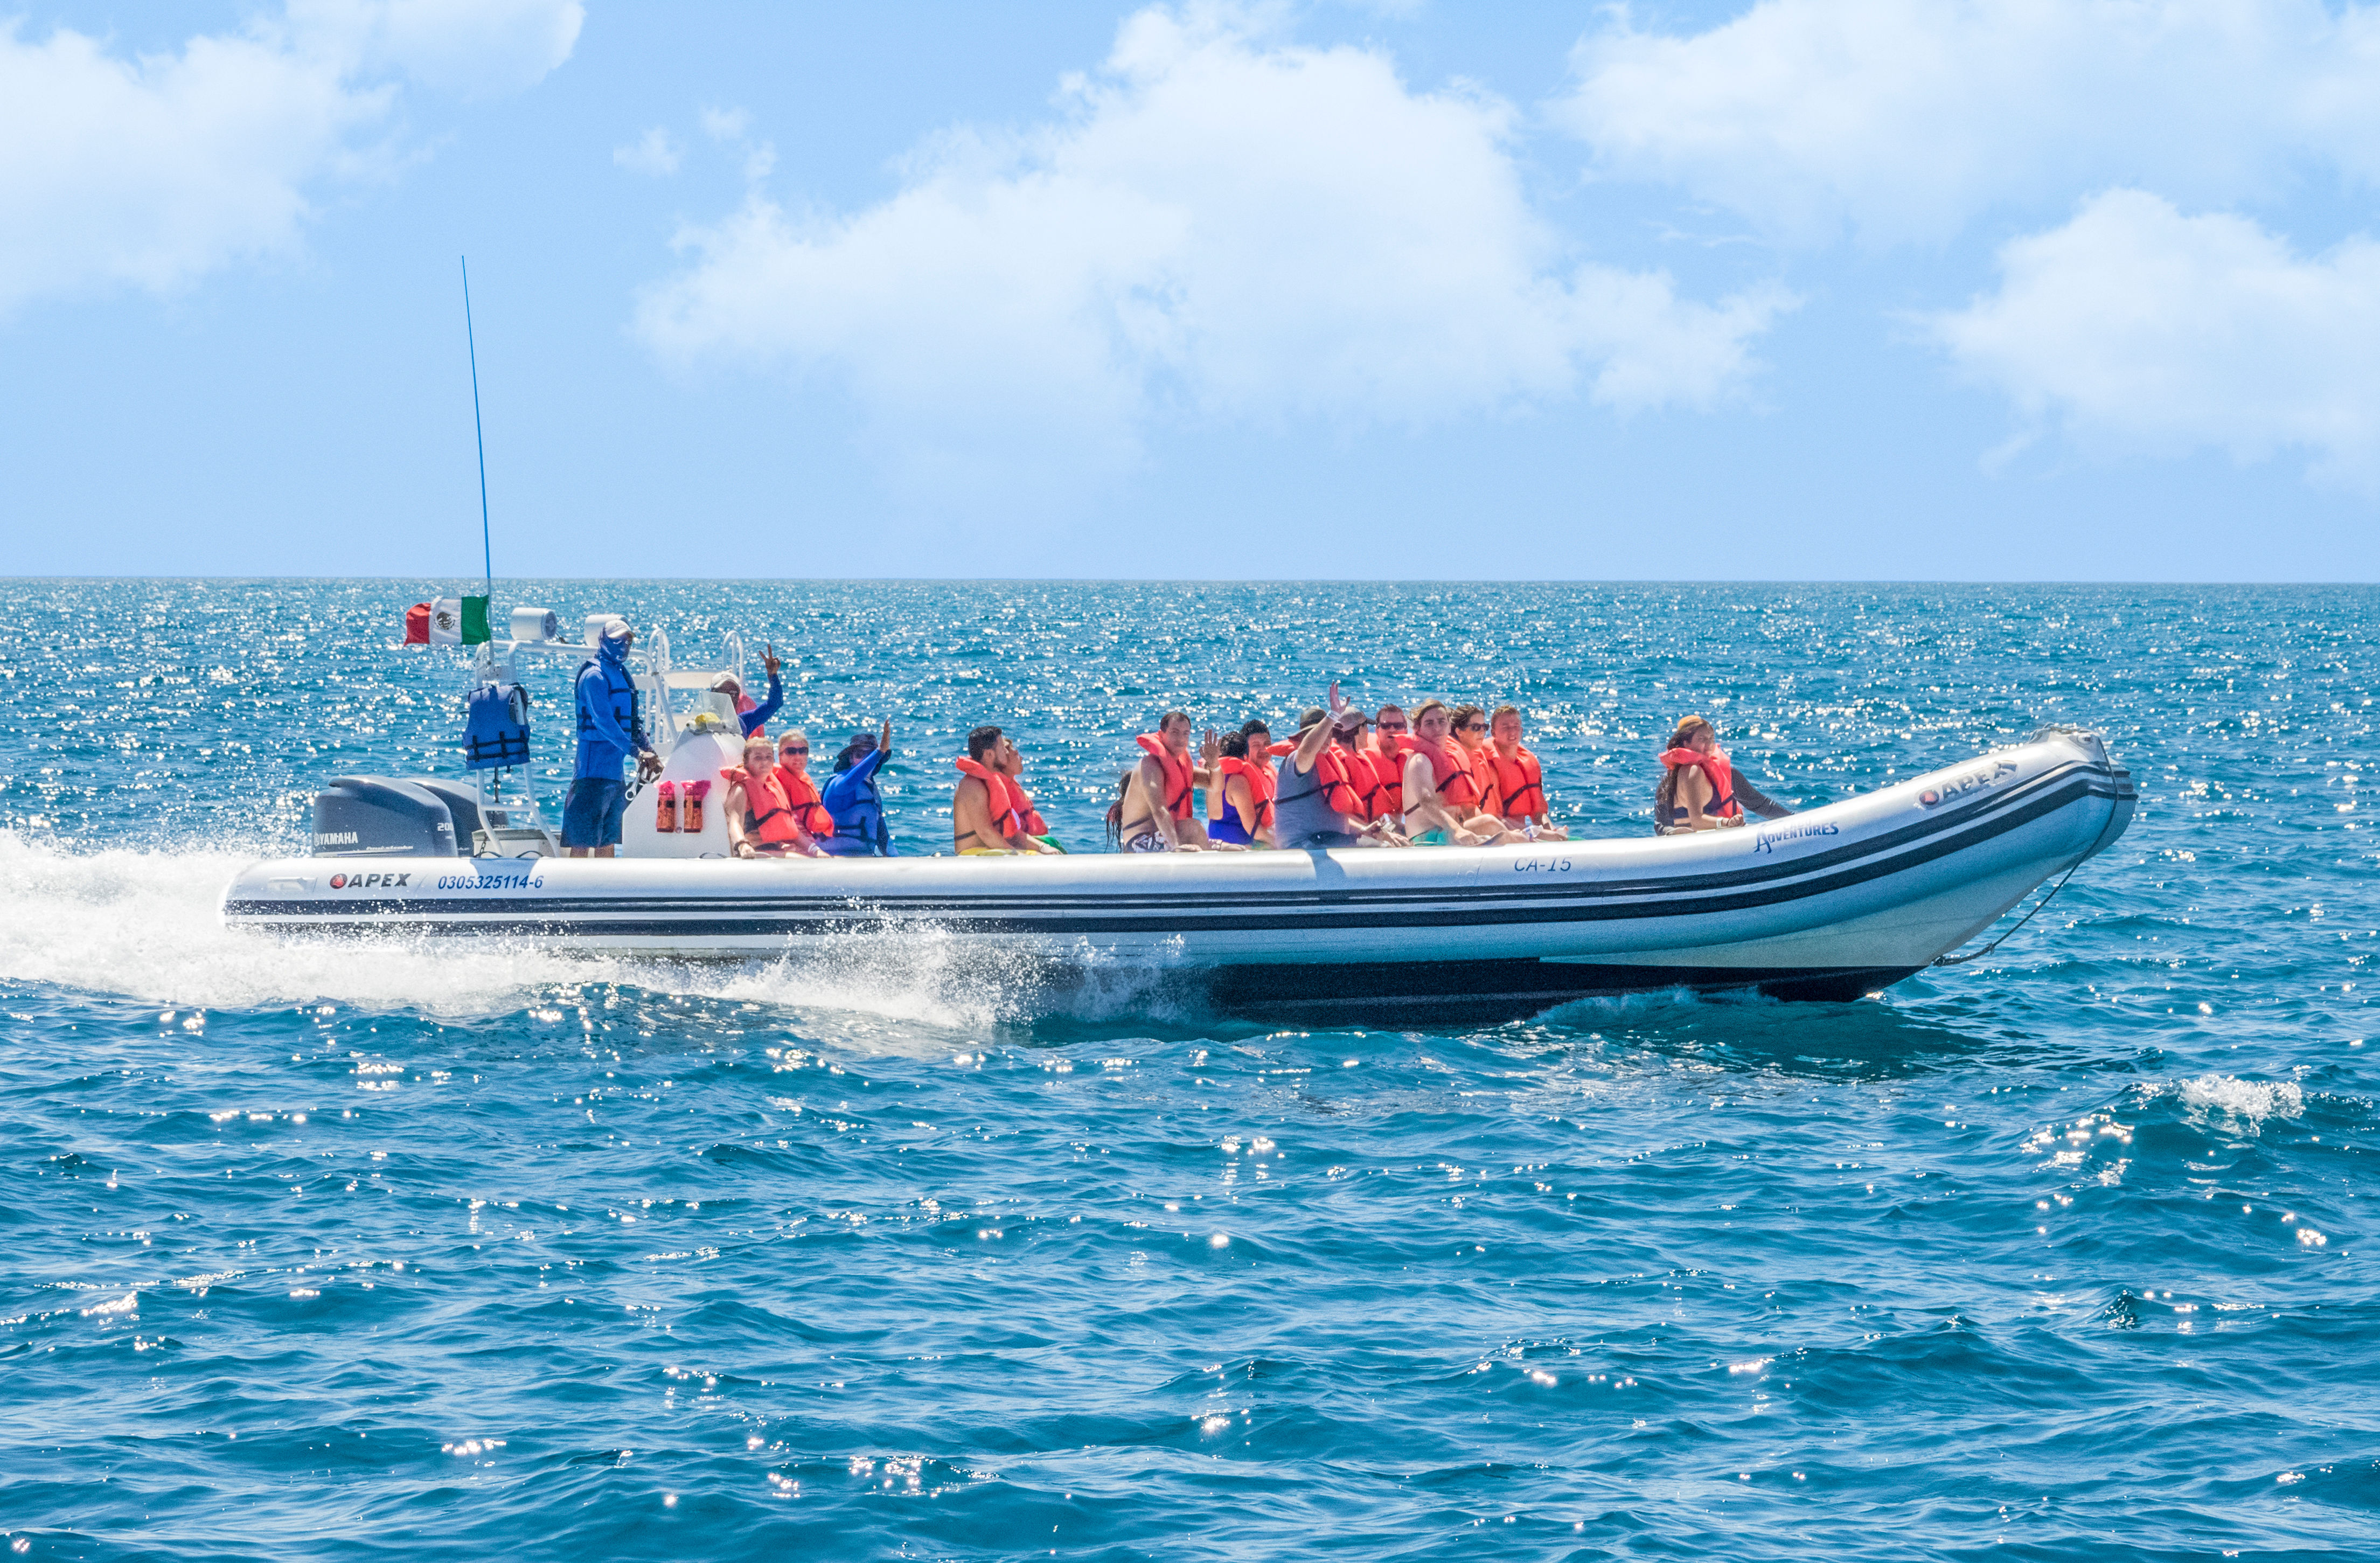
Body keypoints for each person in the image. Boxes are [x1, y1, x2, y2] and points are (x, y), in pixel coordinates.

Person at [565, 616, 660, 858]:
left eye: (628, 640)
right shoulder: (594, 676)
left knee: (608, 840)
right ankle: (574, 890)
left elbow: (632, 721)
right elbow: (603, 721)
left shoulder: (621, 674)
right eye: (618, 639)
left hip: (614, 776)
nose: (624, 645)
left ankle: (602, 892)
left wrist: (649, 752)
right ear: (603, 640)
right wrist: (637, 753)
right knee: (583, 840)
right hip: (591, 775)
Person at [1274, 689, 1407, 850]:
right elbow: (1307, 750)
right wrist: (1332, 716)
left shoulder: (1328, 766)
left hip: (1325, 839)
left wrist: (1364, 830)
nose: (1327, 738)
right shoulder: (1296, 761)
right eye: (1321, 733)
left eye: (1330, 733)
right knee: (1383, 850)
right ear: (1305, 738)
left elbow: (1336, 820)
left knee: (1388, 845)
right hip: (1303, 844)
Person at [1401, 699, 1526, 846]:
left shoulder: (1449, 760)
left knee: (1498, 827)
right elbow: (1426, 801)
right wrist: (1457, 830)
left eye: (1442, 722)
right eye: (1429, 723)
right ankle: (1531, 847)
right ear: (1418, 729)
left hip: (1448, 832)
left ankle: (1530, 841)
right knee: (1490, 824)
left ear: (1449, 727)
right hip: (1427, 839)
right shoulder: (1419, 760)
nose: (1437, 728)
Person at [1655, 714, 1793, 833]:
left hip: (1721, 841)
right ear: (1686, 743)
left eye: (1711, 739)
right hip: (1699, 847)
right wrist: (1671, 833)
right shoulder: (1668, 785)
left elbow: (1761, 805)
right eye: (1701, 739)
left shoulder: (1728, 775)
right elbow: (1661, 825)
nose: (1708, 744)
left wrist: (1795, 822)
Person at [1108, 711, 1220, 852]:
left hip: (1162, 837)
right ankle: (1209, 872)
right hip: (1138, 843)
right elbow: (1159, 810)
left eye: (1186, 734)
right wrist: (1176, 846)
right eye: (1175, 732)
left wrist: (1214, 763)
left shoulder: (1181, 766)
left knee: (1202, 834)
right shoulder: (1150, 766)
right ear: (1162, 735)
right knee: (1193, 829)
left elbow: (1214, 784)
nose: (1181, 739)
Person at [954, 725, 1056, 854]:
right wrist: (1017, 855)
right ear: (990, 754)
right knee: (1035, 859)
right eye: (1002, 748)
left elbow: (1014, 834)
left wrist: (1043, 847)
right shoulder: (972, 786)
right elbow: (986, 833)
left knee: (1050, 850)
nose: (1007, 752)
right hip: (973, 853)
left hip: (994, 852)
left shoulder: (994, 782)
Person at [726, 735, 824, 859]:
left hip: (776, 849)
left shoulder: (774, 789)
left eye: (768, 757)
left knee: (820, 861)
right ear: (746, 762)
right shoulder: (741, 789)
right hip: (754, 852)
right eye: (758, 758)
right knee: (803, 862)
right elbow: (734, 822)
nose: (765, 762)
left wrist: (816, 850)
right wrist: (743, 844)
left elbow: (792, 831)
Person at [1484, 704, 1568, 840]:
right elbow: (1492, 818)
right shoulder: (1489, 766)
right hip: (1496, 835)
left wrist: (1553, 831)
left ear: (1522, 731)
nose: (1512, 732)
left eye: (1516, 727)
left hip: (1523, 833)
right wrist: (1539, 834)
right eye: (1505, 727)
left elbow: (1538, 814)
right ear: (1494, 733)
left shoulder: (1529, 763)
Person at [820, 719, 897, 856]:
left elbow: (883, 836)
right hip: (835, 859)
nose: (865, 760)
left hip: (864, 858)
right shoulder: (838, 784)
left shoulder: (871, 790)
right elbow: (850, 782)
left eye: (869, 755)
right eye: (859, 755)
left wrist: (897, 861)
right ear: (851, 759)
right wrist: (879, 752)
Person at [1207, 731, 1275, 847]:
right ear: (1245, 757)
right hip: (1237, 846)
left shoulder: (1214, 777)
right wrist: (1278, 842)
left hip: (1214, 841)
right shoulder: (1237, 782)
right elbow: (1253, 831)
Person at [772, 730, 838, 846]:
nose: (798, 756)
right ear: (780, 756)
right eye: (791, 751)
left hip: (812, 842)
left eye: (803, 751)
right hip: (791, 845)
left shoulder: (804, 781)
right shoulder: (775, 783)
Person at [997, 738, 1064, 852]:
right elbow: (1011, 834)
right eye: (1016, 755)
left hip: (1038, 842)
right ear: (1004, 762)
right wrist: (1042, 846)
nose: (1021, 758)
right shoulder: (1002, 791)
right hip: (1029, 846)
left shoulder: (1012, 784)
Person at [711, 644, 784, 737]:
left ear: (738, 698)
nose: (728, 697)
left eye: (733, 693)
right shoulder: (700, 723)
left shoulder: (744, 723)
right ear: (712, 695)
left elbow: (774, 704)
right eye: (723, 692)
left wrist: (773, 676)